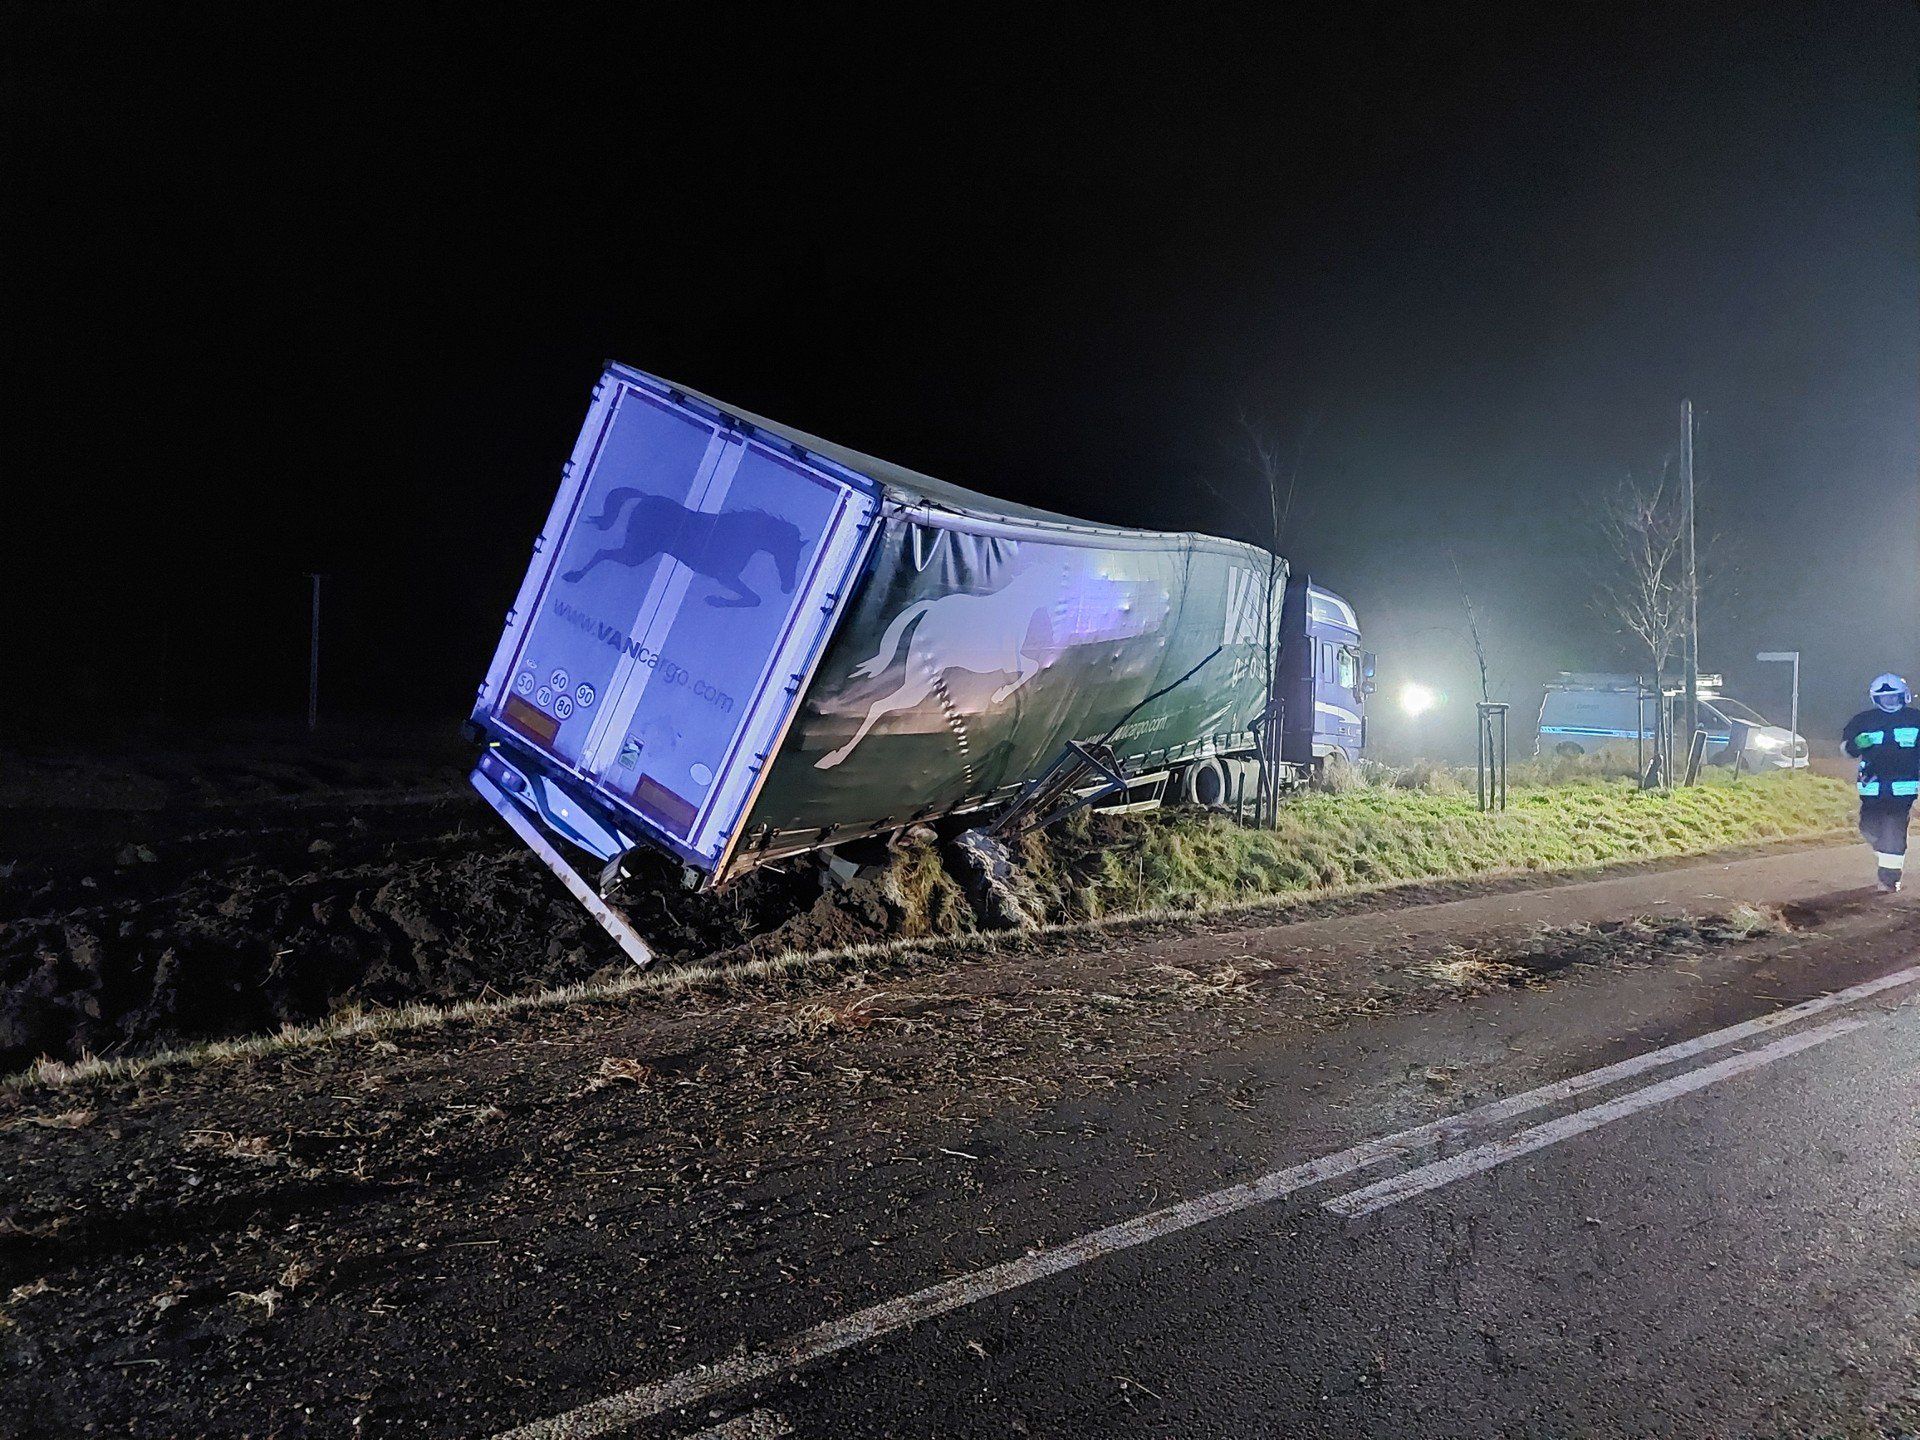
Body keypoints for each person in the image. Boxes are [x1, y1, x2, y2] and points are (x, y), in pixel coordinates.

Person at [1842, 673, 1919, 892]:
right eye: (1885, 698)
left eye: (1894, 697)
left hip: (1902, 789)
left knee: (1894, 830)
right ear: (1876, 699)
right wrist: (1855, 744)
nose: (1890, 701)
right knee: (1869, 828)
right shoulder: (1863, 721)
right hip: (1871, 787)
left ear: (1903, 696)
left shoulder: (1916, 719)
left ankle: (1889, 880)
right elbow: (1847, 750)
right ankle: (1884, 853)